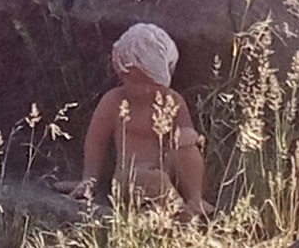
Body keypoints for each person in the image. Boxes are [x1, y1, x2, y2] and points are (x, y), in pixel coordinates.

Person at [60, 23, 211, 218]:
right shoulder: (114, 101)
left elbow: (186, 130)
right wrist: (90, 179)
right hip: (130, 176)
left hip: (167, 169)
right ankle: (178, 212)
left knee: (188, 151)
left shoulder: (173, 100)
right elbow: (96, 141)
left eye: (152, 83)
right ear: (120, 73)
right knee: (154, 179)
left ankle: (194, 199)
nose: (144, 90)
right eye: (135, 82)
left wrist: (188, 135)